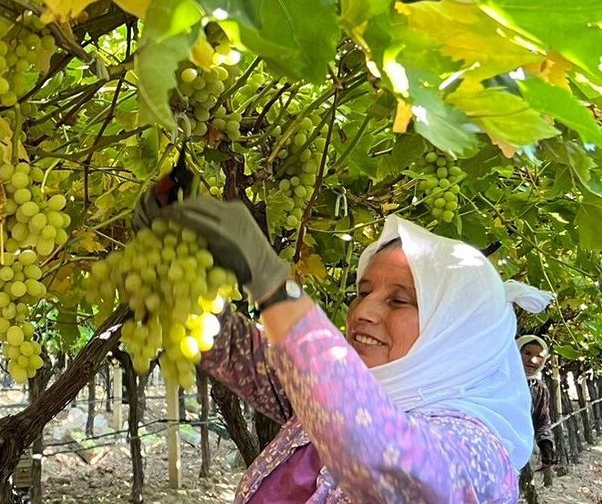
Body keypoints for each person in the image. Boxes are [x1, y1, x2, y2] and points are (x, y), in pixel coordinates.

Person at [134, 195, 554, 503]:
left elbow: (381, 456)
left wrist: (270, 279)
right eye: (363, 291)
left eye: (400, 300)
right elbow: (245, 355)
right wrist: (172, 281)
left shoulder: (479, 454)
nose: (363, 312)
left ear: (456, 331)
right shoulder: (338, 395)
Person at [516, 335, 556, 470]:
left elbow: (542, 420)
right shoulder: (497, 380)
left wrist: (546, 444)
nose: (532, 360)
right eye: (527, 353)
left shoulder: (538, 388)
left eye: (539, 356)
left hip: (520, 451)